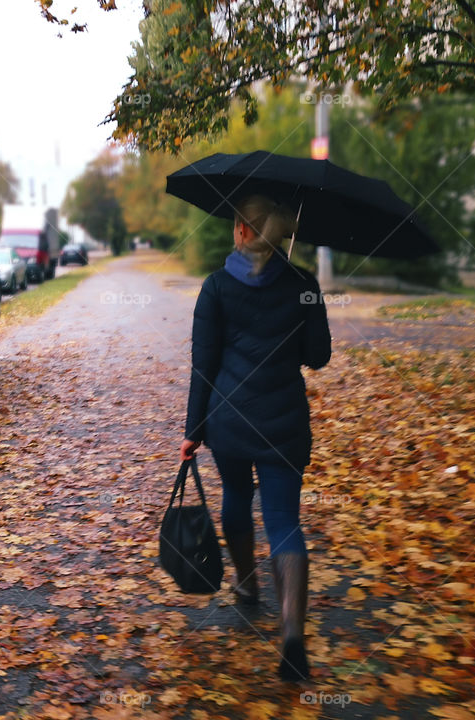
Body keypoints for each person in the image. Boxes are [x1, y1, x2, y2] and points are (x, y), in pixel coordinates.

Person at [180, 193, 331, 682]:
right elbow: (318, 356)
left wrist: (193, 432)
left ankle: (247, 586)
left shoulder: (216, 288)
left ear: (244, 232)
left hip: (228, 421)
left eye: (234, 224)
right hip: (284, 421)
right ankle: (291, 633)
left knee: (238, 498)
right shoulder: (304, 283)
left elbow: (203, 366)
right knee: (285, 520)